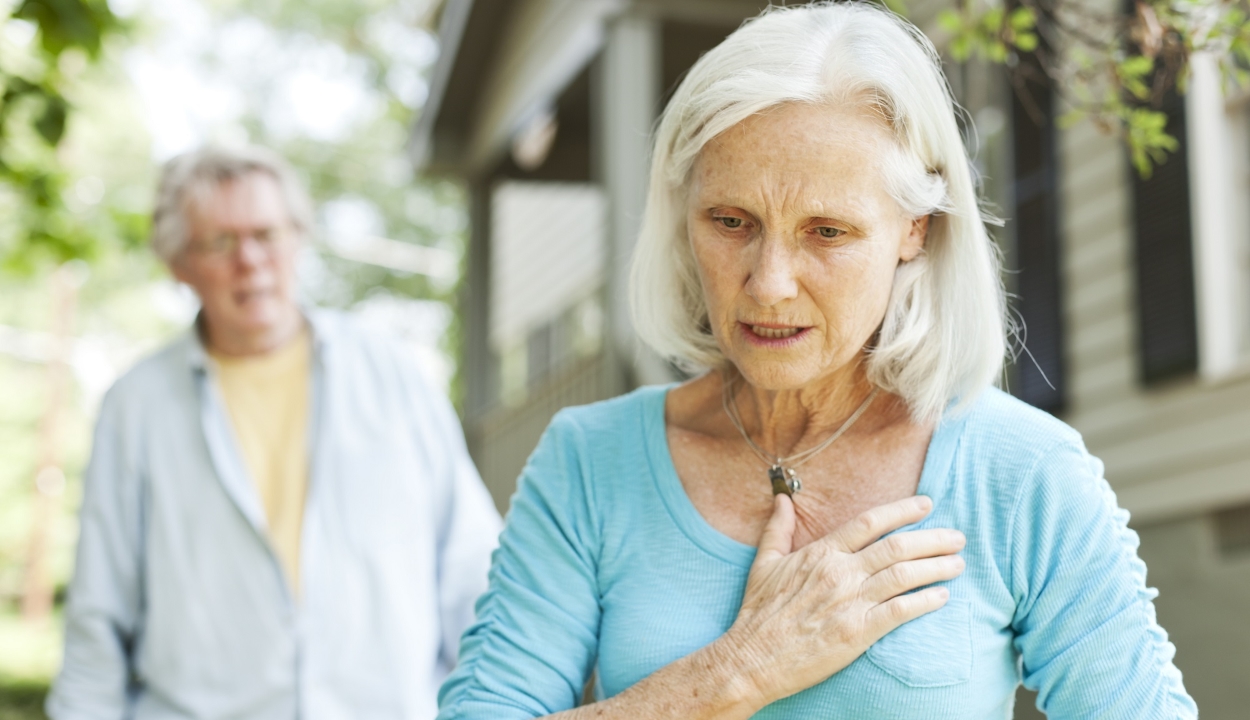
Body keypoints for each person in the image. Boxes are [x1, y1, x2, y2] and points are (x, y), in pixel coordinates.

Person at [436, 3, 1197, 719]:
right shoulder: (590, 463)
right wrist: (738, 671)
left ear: (915, 233)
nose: (768, 283)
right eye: (731, 221)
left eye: (827, 232)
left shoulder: (1023, 472)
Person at [47, 145, 502, 720]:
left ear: (298, 239)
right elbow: (97, 617)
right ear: (178, 264)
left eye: (266, 234)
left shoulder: (395, 376)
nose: (251, 260)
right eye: (220, 242)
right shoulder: (134, 407)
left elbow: (474, 577)